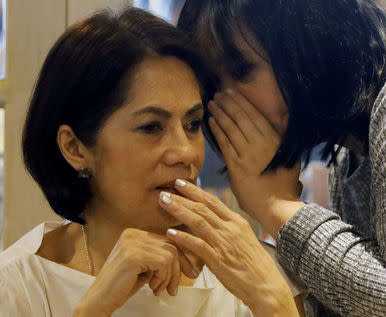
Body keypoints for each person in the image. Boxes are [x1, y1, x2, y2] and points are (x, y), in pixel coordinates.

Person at [0, 8, 304, 317]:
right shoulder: (18, 286)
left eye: (193, 124)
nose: (184, 152)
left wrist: (274, 303)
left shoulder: (251, 272)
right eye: (151, 127)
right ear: (75, 148)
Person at [160, 0, 386, 316]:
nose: (226, 105)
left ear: (303, 38)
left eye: (242, 69)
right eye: (213, 86)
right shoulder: (349, 146)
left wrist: (277, 205)